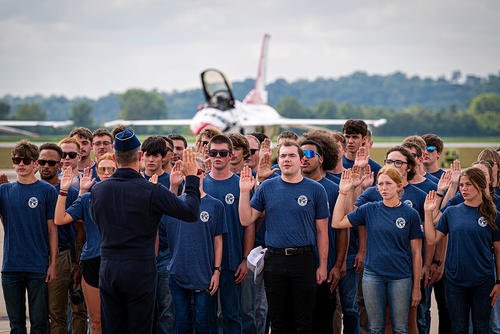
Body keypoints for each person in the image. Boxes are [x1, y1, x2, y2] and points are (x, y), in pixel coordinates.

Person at [90, 129, 201, 333]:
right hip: (139, 268)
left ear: (115, 157)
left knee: (112, 326)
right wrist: (192, 178)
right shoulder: (151, 190)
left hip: (108, 266)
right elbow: (190, 212)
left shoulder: (98, 190)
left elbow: (97, 219)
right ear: (140, 156)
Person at [239, 141, 329, 334]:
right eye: (282, 156)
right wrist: (244, 191)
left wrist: (322, 265)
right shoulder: (267, 188)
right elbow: (246, 219)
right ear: (278, 161)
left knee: (304, 321)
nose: (286, 160)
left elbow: (322, 231)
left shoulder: (315, 190)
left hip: (304, 260)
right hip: (275, 260)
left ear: (301, 160)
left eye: (291, 156)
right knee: (279, 321)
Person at [333, 167, 423, 333]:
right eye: (380, 184)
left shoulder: (411, 214)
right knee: (375, 328)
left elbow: (417, 253)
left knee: (401, 328)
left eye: (388, 183)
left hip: (401, 277)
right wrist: (343, 192)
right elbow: (337, 222)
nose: (383, 188)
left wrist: (416, 286)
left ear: (399, 185)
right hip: (373, 276)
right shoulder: (369, 209)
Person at [424, 168, 500, 333]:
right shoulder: (451, 212)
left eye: (468, 185)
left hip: (483, 281)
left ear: (480, 186)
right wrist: (427, 213)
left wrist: (499, 281)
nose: (463, 189)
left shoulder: (493, 214)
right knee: (458, 328)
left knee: (481, 327)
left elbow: (498, 250)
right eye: (462, 185)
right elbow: (431, 239)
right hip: (455, 281)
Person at [55, 153, 117, 334]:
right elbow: (59, 218)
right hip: (92, 261)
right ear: (97, 172)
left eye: (111, 169)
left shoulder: (125, 197)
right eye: (103, 169)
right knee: (96, 321)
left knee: (117, 318)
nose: (107, 173)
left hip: (118, 262)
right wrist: (64, 190)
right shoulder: (87, 199)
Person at [0, 140, 58, 333]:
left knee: (39, 323)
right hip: (11, 267)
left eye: (26, 160)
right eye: (17, 160)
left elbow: (52, 230)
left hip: (37, 266)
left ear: (35, 164)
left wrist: (53, 263)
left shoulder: (47, 191)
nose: (21, 164)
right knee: (16, 325)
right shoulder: (3, 191)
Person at [165, 157, 226, 333]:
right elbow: (164, 220)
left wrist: (217, 270)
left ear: (204, 173)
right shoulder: (175, 203)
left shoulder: (215, 205)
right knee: (181, 322)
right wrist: (174, 186)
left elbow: (218, 240)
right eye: (189, 172)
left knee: (202, 322)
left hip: (203, 274)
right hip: (178, 273)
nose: (194, 176)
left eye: (197, 172)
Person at [203, 134, 255, 333]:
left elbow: (249, 224)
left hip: (232, 260)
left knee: (232, 316)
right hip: (206, 262)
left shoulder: (241, 184)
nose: (217, 157)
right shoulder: (202, 184)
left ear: (230, 155)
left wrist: (245, 258)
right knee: (206, 317)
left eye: (222, 153)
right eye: (213, 152)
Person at [299, 138, 348, 333]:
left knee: (324, 321)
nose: (304, 159)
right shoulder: (292, 185)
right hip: (298, 267)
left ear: (321, 159)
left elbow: (342, 230)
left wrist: (338, 264)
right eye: (301, 154)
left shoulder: (334, 189)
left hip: (325, 268)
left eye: (310, 154)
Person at [38, 143, 87, 334]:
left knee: (78, 309)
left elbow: (80, 230)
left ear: (59, 165)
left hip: (65, 255)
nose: (46, 166)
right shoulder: (33, 190)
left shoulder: (71, 193)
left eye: (51, 163)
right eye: (42, 162)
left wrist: (77, 262)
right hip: (39, 257)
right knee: (54, 313)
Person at [141, 135, 176, 333]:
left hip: (166, 251)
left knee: (167, 310)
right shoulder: (136, 180)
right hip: (141, 252)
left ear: (163, 157)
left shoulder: (171, 180)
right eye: (148, 155)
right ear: (142, 156)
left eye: (156, 155)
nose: (151, 160)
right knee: (144, 309)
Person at [342, 119, 382, 186]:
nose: (350, 141)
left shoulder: (376, 169)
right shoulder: (336, 165)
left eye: (355, 137)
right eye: (347, 137)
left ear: (364, 139)